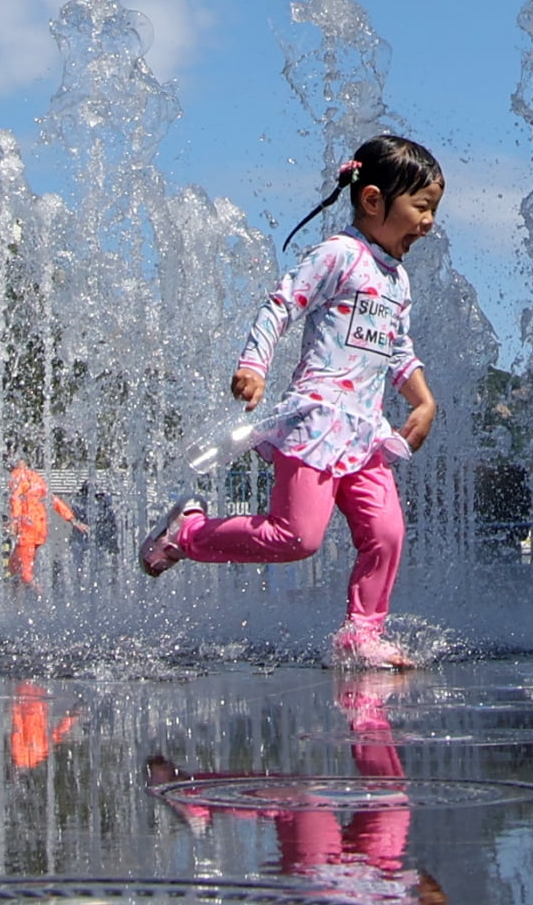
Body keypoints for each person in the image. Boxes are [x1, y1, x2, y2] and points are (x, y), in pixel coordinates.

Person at [140, 134, 442, 670]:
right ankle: (186, 532)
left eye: (432, 209)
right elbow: (281, 305)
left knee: (388, 533)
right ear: (373, 200)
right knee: (296, 537)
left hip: (366, 433)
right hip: (318, 423)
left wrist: (422, 401)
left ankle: (362, 635)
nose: (428, 222)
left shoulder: (398, 280)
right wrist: (254, 366)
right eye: (421, 206)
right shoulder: (338, 256)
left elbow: (398, 348)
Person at [7, 454, 49, 593]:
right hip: (38, 528)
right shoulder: (36, 478)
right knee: (14, 567)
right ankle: (17, 607)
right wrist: (71, 519)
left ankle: (47, 605)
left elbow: (15, 498)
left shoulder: (17, 476)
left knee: (25, 574)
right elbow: (52, 499)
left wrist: (14, 520)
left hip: (27, 530)